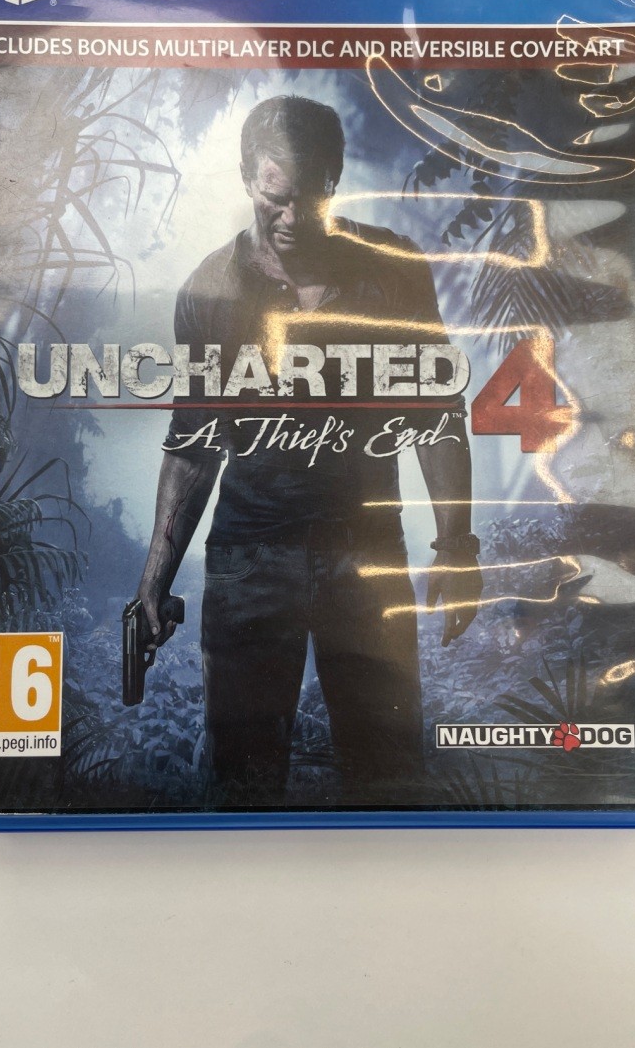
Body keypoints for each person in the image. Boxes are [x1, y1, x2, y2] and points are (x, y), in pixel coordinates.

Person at [137, 95, 483, 807]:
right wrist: (155, 579)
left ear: (336, 178)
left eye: (313, 195)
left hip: (367, 550)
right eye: (276, 196)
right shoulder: (210, 288)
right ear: (247, 179)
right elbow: (194, 442)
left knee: (388, 775)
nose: (294, 216)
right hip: (249, 556)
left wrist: (457, 547)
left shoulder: (393, 270)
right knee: (242, 784)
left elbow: (437, 415)